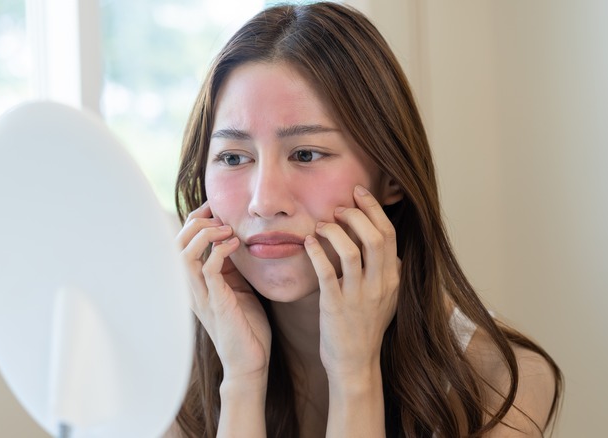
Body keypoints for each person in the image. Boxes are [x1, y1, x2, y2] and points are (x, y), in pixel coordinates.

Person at [170, 2, 562, 437]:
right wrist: (241, 378)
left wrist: (354, 377)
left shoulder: (501, 381)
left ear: (391, 176)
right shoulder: (169, 377)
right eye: (232, 157)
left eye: (305, 154)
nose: (264, 202)